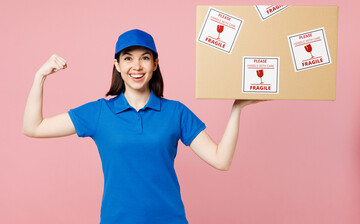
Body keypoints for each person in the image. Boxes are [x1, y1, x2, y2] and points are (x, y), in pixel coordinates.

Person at [22, 29, 261, 224]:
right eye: (128, 58)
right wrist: (39, 77)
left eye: (145, 58)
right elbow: (34, 127)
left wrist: (237, 108)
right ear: (117, 65)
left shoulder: (175, 112)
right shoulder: (99, 113)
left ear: (155, 64)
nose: (136, 66)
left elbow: (221, 160)